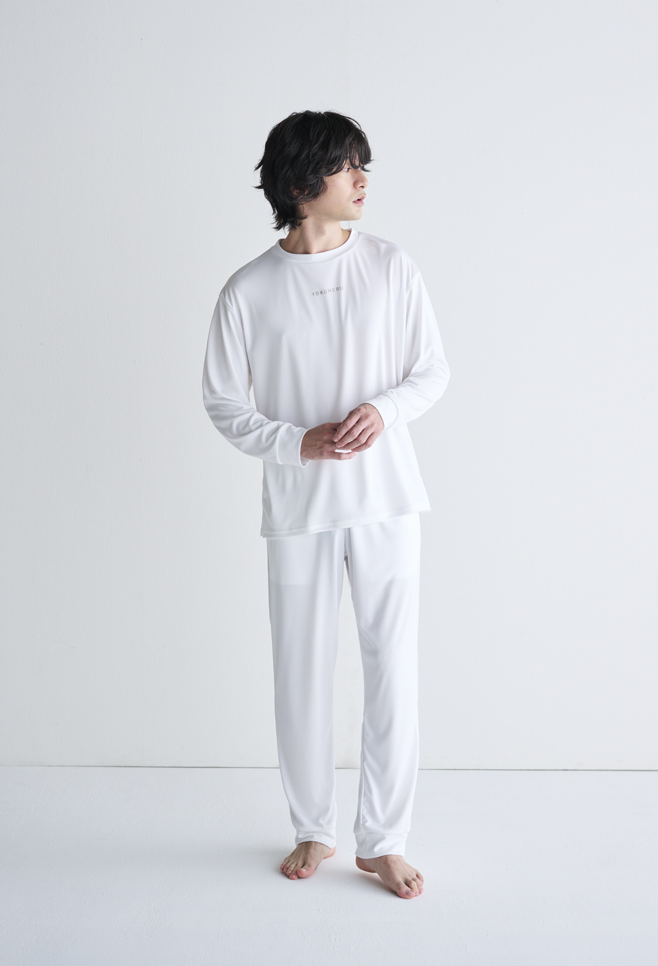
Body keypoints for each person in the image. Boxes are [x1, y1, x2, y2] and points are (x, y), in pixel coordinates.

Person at [201, 110, 450, 899]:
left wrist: (385, 409)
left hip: (387, 501)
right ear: (303, 182)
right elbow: (223, 403)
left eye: (362, 165)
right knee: (301, 673)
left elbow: (431, 370)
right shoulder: (248, 290)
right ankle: (314, 828)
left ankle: (384, 840)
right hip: (299, 509)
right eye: (348, 166)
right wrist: (295, 443)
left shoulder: (391, 267)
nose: (363, 179)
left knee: (392, 669)